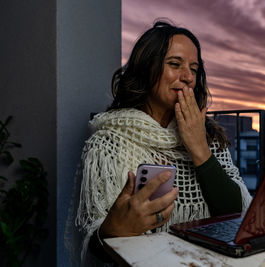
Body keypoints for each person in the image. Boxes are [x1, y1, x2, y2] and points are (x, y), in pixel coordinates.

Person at [65, 20, 252, 266]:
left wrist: (199, 149)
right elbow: (93, 241)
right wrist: (112, 230)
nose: (188, 78)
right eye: (175, 64)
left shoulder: (207, 137)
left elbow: (235, 213)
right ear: (146, 69)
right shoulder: (108, 142)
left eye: (194, 69)